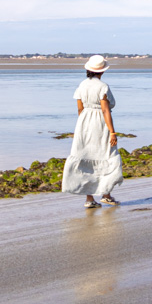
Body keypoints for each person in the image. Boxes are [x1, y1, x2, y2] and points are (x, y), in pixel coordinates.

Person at [61, 55, 123, 209]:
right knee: (107, 155)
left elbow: (79, 108)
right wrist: (112, 132)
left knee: (86, 157)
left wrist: (83, 125)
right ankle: (106, 195)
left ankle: (89, 199)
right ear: (102, 71)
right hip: (100, 123)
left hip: (83, 122)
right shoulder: (103, 86)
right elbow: (105, 110)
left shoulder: (82, 85)